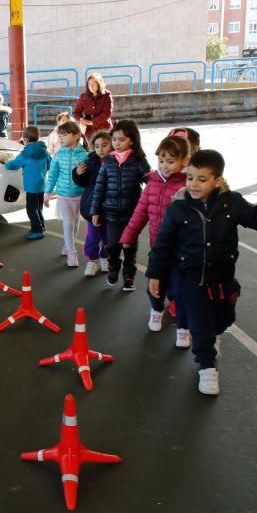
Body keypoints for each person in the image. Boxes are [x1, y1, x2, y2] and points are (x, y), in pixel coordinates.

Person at [148, 150, 257, 396]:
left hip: (222, 279)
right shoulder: (178, 208)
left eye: (202, 179)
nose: (193, 184)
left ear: (218, 181)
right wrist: (155, 274)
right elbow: (162, 245)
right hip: (192, 279)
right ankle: (207, 367)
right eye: (190, 178)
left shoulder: (231, 203)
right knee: (200, 327)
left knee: (223, 320)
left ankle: (214, 336)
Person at [119, 136, 191, 345]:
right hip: (158, 249)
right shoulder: (152, 182)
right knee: (155, 285)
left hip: (182, 251)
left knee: (180, 290)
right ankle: (156, 310)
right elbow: (141, 212)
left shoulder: (187, 185)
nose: (165, 166)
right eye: (161, 160)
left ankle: (184, 328)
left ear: (184, 161)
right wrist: (128, 235)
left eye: (170, 161)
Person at [90, 119, 151, 291]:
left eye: (121, 139)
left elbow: (150, 181)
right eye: (114, 139)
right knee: (114, 245)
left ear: (132, 140)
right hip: (111, 214)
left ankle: (129, 275)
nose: (117, 143)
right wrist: (95, 211)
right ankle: (114, 267)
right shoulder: (109, 160)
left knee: (130, 246)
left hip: (133, 214)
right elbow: (99, 187)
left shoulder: (139, 159)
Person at [43, 120, 86, 267]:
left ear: (76, 135)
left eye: (64, 135)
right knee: (68, 222)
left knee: (75, 224)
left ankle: (67, 246)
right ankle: (72, 254)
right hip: (63, 196)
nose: (60, 138)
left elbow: (88, 177)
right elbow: (53, 175)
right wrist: (47, 194)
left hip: (80, 195)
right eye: (59, 135)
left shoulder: (85, 155)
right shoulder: (58, 155)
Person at [72, 130, 111, 276]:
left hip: (109, 207)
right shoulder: (89, 163)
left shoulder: (116, 162)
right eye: (97, 146)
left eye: (104, 145)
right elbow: (81, 183)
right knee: (93, 236)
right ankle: (92, 260)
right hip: (92, 206)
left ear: (112, 145)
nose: (101, 149)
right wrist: (77, 173)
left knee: (108, 236)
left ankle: (104, 257)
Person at [5, 125, 50, 240]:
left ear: (26, 140)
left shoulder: (26, 153)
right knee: (38, 208)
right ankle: (41, 226)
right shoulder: (44, 151)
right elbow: (50, 164)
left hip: (31, 186)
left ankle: (38, 230)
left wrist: (6, 164)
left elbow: (14, 164)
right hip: (41, 184)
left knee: (31, 209)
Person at [74, 73, 113, 141]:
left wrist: (91, 122)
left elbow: (107, 113)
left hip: (104, 130)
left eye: (94, 83)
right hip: (89, 132)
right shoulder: (83, 97)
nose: (91, 86)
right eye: (89, 84)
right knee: (91, 151)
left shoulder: (107, 95)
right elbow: (76, 112)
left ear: (99, 84)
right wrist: (81, 119)